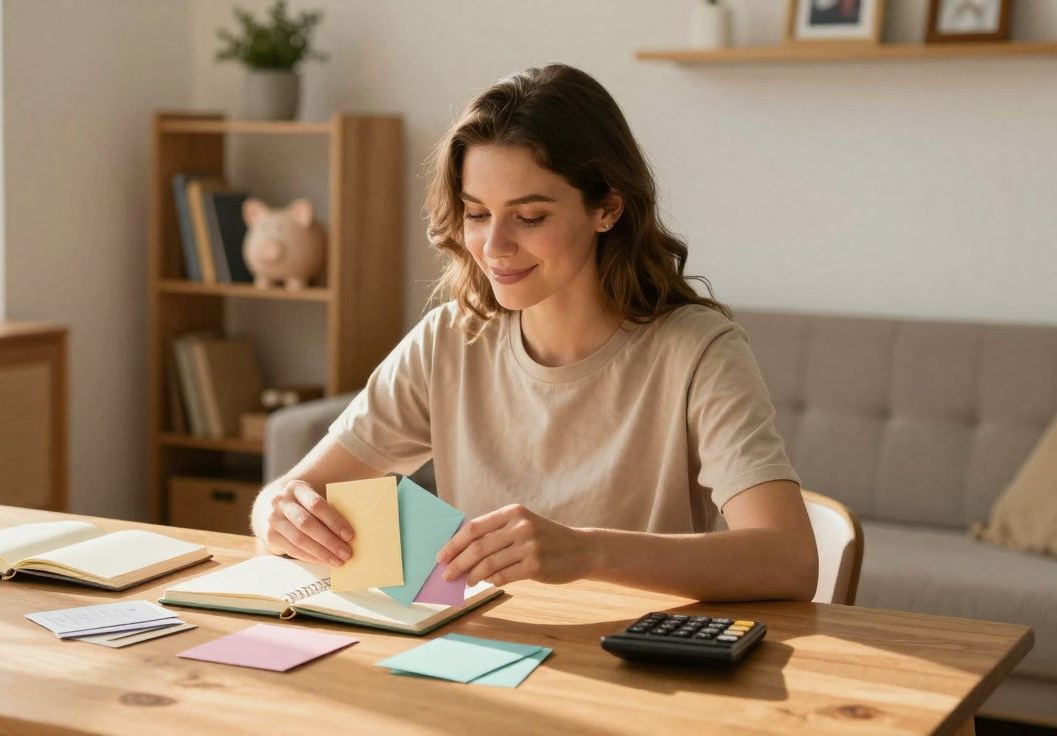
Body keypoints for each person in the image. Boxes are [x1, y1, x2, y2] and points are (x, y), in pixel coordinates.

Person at [249, 64, 818, 602]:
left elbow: (788, 559)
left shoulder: (698, 352)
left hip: (637, 670)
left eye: (529, 217)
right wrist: (276, 510)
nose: (493, 247)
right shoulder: (450, 341)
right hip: (478, 657)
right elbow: (296, 494)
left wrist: (587, 551)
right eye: (476, 213)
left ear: (607, 209)